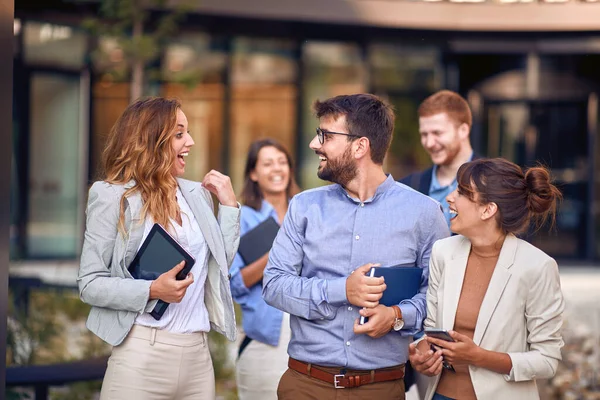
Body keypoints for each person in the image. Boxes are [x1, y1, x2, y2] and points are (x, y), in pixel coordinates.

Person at [262, 93, 449, 400]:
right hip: (304, 385)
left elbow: (439, 296)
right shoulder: (303, 207)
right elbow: (274, 285)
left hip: (381, 388)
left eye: (325, 135)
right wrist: (341, 291)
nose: (314, 144)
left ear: (360, 146)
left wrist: (397, 316)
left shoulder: (425, 213)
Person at [77, 97, 240, 400]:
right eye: (179, 134)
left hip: (198, 358)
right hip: (141, 357)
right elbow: (90, 284)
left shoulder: (196, 194)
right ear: (151, 140)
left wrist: (230, 207)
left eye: (187, 132)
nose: (190, 142)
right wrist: (151, 290)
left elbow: (218, 266)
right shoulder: (112, 196)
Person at [409, 158, 565, 400]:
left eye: (461, 192)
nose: (450, 198)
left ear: (488, 209)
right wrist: (423, 354)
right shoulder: (443, 252)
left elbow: (547, 359)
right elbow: (432, 330)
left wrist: (478, 356)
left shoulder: (538, 267)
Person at [229, 138, 300, 400]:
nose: (277, 169)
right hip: (264, 339)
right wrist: (276, 255)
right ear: (253, 173)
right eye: (268, 163)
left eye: (282, 162)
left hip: (309, 337)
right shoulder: (241, 218)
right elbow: (234, 284)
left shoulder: (305, 212)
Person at [400, 90, 477, 227]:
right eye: (424, 134)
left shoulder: (494, 183)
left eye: (437, 133)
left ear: (463, 131)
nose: (429, 143)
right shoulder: (409, 186)